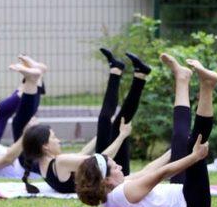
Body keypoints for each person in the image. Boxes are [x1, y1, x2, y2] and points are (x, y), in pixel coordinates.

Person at [74, 53, 216, 207]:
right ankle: (207, 85)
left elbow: (146, 172)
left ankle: (182, 78)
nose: (120, 166)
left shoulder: (111, 193)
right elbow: (160, 174)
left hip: (182, 199)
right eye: (115, 166)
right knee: (196, 142)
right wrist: (194, 156)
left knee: (181, 138)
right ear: (106, 180)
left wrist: (175, 150)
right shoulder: (122, 193)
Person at [21, 48, 150, 193]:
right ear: (45, 146)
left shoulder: (45, 165)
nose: (58, 140)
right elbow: (103, 161)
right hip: (114, 174)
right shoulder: (60, 162)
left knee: (104, 120)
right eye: (53, 137)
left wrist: (99, 136)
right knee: (119, 122)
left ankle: (118, 70)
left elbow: (81, 154)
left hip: (107, 173)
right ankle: (139, 75)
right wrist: (122, 136)